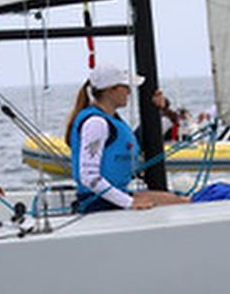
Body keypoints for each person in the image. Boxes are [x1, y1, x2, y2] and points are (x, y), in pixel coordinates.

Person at [64, 64, 190, 213]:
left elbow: (136, 139)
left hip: (112, 197)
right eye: (125, 87)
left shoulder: (112, 120)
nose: (129, 92)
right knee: (180, 203)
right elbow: (89, 177)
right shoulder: (96, 124)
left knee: (181, 201)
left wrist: (160, 109)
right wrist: (129, 203)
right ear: (110, 90)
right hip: (97, 203)